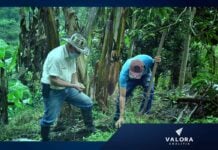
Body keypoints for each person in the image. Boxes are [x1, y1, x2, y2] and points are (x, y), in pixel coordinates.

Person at [40, 33, 95, 141]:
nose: (79, 54)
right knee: (49, 119)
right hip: (52, 90)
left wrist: (76, 83)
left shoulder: (71, 55)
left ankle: (90, 128)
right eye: (78, 52)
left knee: (87, 102)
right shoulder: (56, 57)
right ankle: (44, 140)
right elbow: (54, 80)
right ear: (70, 47)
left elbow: (73, 71)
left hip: (67, 87)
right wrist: (73, 85)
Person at [114, 54, 161, 128]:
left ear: (143, 67)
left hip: (145, 75)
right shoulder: (123, 74)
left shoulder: (148, 60)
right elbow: (122, 96)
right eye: (134, 74)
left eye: (137, 75)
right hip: (130, 79)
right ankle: (118, 118)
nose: (136, 77)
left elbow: (155, 62)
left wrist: (157, 61)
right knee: (123, 94)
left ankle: (143, 115)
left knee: (150, 90)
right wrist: (121, 116)